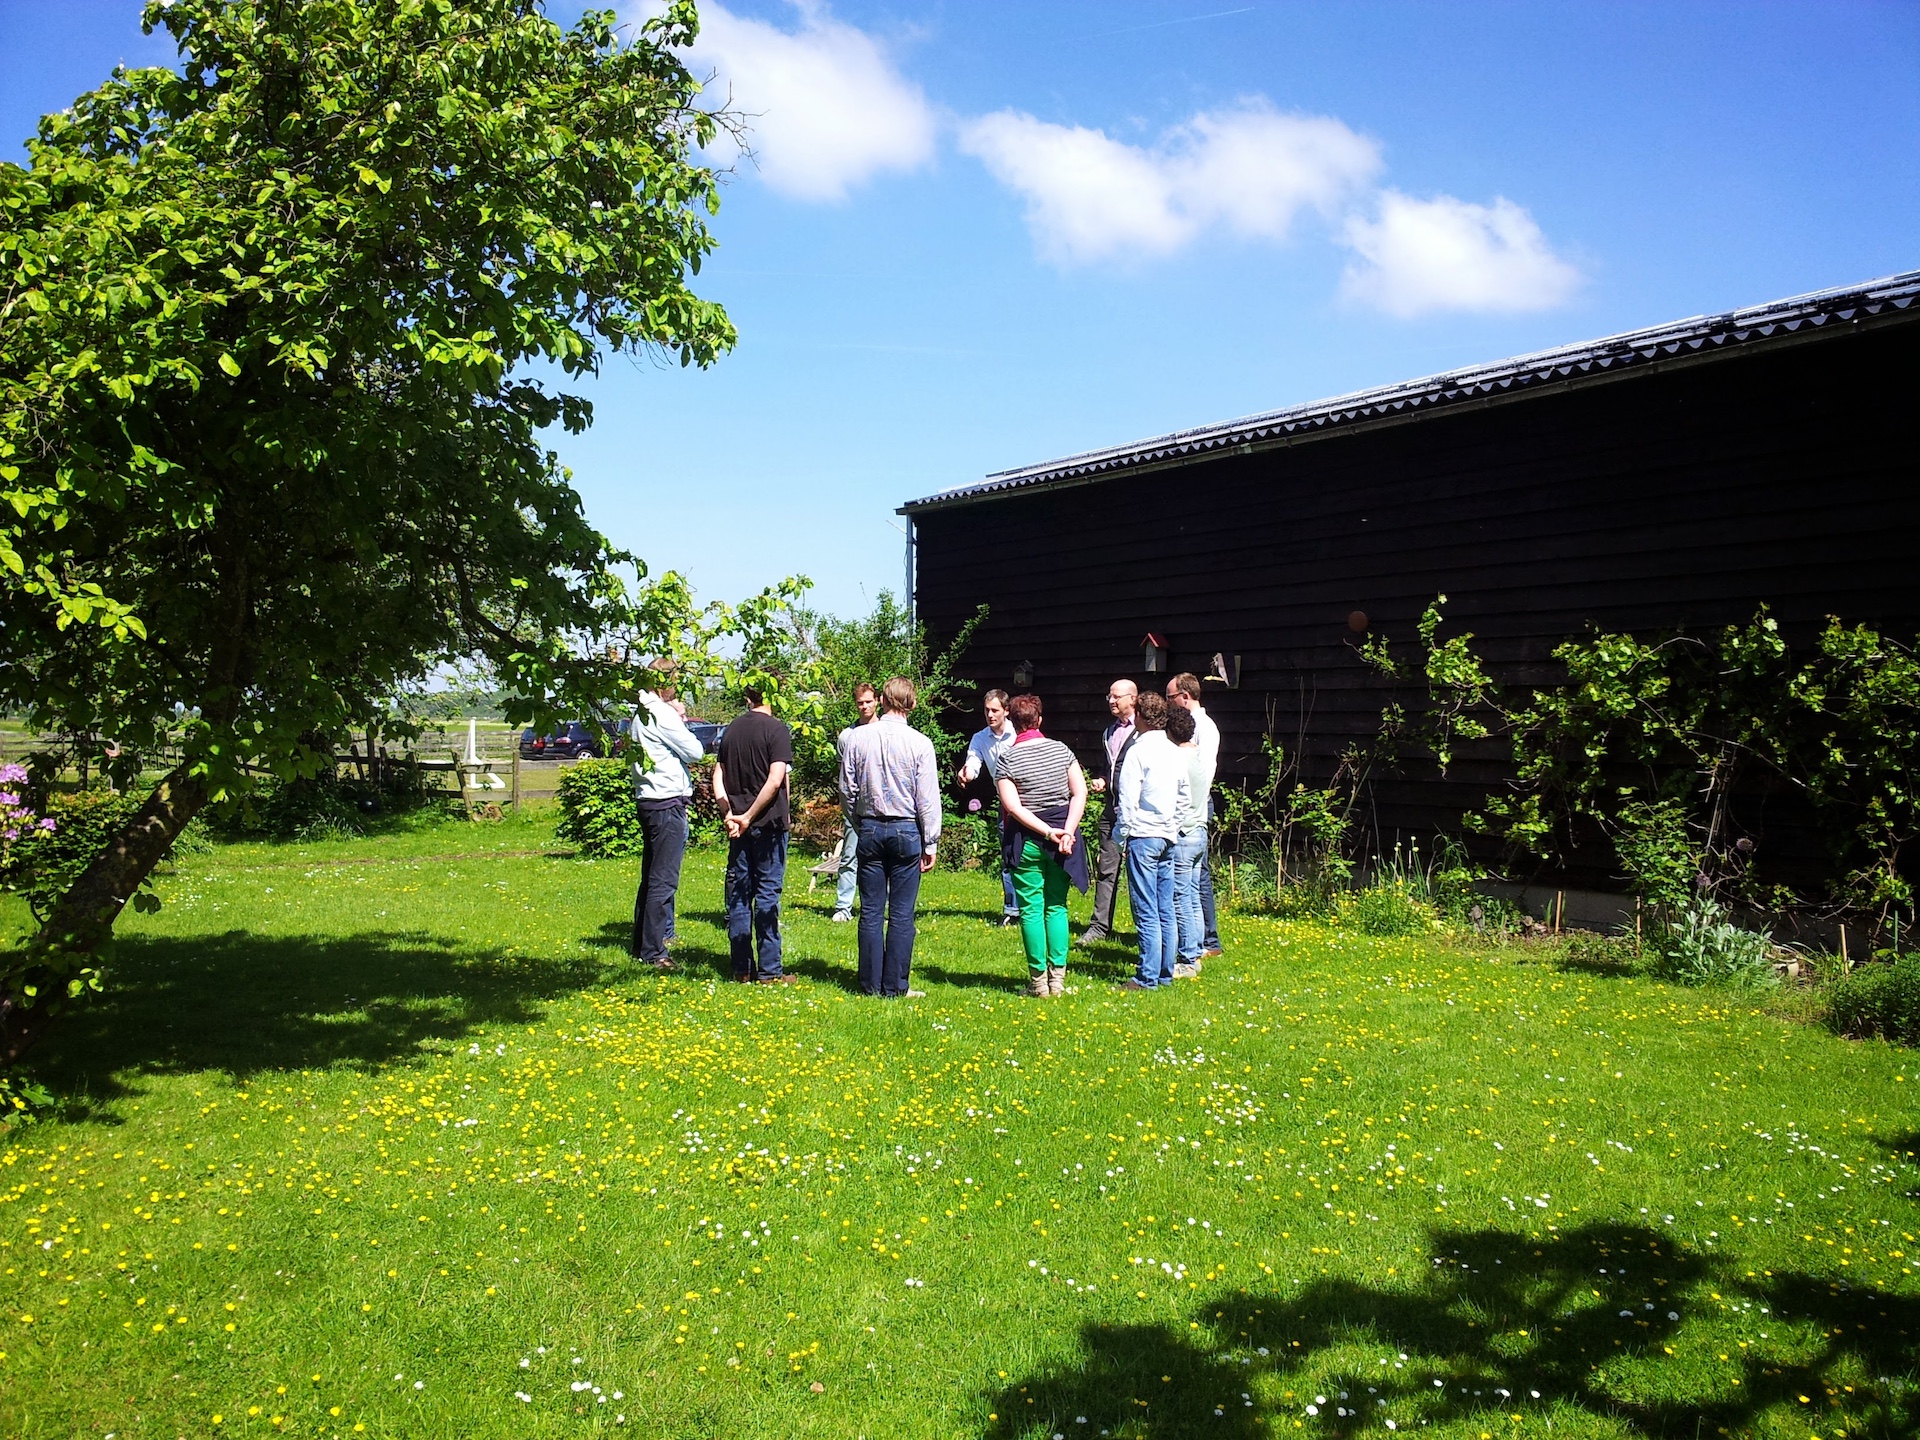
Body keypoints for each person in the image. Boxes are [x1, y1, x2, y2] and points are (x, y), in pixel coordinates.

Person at [837, 676, 942, 998]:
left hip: (869, 826)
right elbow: (927, 798)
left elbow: (846, 789)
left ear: (882, 701)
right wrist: (931, 841)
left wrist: (857, 821)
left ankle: (869, 984)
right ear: (911, 704)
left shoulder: (857, 739)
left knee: (870, 910)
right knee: (901, 913)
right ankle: (895, 986)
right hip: (906, 829)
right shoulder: (920, 743)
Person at [995, 693, 1089, 997]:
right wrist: (1067, 832)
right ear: (1039, 720)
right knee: (1057, 906)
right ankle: (1058, 981)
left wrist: (1048, 832)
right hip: (1063, 836)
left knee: (1032, 910)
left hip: (1027, 840)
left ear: (1013, 722)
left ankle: (1038, 983)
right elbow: (1080, 793)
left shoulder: (1007, 758)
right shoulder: (1062, 751)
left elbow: (1013, 808)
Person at [713, 686, 797, 985]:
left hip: (738, 827)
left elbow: (718, 774)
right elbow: (776, 780)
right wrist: (748, 816)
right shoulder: (776, 730)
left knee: (739, 895)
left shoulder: (732, 730)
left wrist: (729, 812)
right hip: (769, 824)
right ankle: (770, 971)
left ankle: (742, 968)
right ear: (774, 696)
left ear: (747, 698)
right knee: (766, 894)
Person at [1115, 690, 1190, 991]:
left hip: (1143, 835)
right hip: (1168, 836)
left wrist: (1122, 836)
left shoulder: (1137, 751)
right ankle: (1164, 973)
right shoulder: (1174, 750)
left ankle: (1146, 977)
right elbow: (1185, 795)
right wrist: (1174, 825)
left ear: (1142, 717)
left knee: (1146, 908)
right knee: (1165, 908)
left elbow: (1128, 800)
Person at [627, 685, 706, 969]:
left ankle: (642, 943)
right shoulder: (661, 712)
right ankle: (654, 951)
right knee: (664, 880)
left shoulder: (639, 712)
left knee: (650, 876)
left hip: (648, 798)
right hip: (666, 801)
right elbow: (695, 751)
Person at [1167, 672, 1224, 959]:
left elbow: (1205, 769)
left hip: (1195, 803)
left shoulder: (1204, 726)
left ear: (1184, 697)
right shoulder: (1195, 725)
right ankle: (1198, 939)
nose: (1168, 704)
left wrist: (1191, 808)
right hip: (1192, 803)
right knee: (1193, 877)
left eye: (1170, 698)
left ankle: (1207, 940)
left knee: (1195, 878)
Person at [1077, 678, 1138, 946]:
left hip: (1137, 815)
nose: (1111, 701)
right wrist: (1103, 780)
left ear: (1132, 699)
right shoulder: (1109, 732)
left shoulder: (1146, 734)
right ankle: (1099, 927)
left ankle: (1145, 934)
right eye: (1109, 697)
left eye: (1117, 697)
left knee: (1140, 876)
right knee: (1106, 869)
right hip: (1110, 811)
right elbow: (1109, 767)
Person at [957, 688, 1020, 925]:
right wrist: (967, 774)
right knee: (1009, 856)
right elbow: (974, 763)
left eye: (995, 710)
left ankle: (1036, 908)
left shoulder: (1019, 733)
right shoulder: (980, 738)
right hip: (1006, 803)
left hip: (1030, 800)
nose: (990, 715)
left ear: (1006, 711)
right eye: (987, 710)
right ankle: (1012, 912)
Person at [830, 683, 881, 923]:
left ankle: (883, 906)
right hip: (855, 807)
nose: (864, 706)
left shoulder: (887, 731)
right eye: (860, 702)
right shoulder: (846, 736)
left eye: (868, 701)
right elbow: (843, 775)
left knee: (884, 860)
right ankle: (843, 906)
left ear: (878, 701)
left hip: (882, 807)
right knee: (849, 856)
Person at [1165, 705, 1210, 978]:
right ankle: (1196, 951)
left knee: (1181, 898)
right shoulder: (1198, 756)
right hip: (1200, 831)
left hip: (1184, 833)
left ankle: (1188, 959)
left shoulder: (1177, 759)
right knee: (1192, 896)